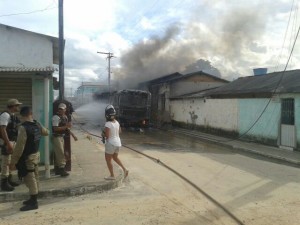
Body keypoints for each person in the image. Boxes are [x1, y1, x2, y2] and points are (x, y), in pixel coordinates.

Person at [9, 106, 49, 211]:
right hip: (35, 155)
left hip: (27, 158)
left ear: (22, 115)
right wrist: (38, 123)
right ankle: (33, 198)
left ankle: (34, 202)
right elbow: (46, 132)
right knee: (35, 177)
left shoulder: (23, 128)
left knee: (30, 179)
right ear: (31, 114)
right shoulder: (37, 124)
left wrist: (13, 162)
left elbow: (19, 147)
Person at [0, 99, 22, 191]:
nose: (18, 107)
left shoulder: (13, 116)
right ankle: (4, 183)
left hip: (12, 141)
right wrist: (8, 143)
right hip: (6, 141)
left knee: (10, 162)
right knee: (5, 161)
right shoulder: (5, 115)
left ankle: (9, 180)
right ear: (13, 106)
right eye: (17, 105)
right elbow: (2, 129)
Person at [103, 105, 128, 180]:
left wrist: (103, 134)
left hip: (111, 144)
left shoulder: (107, 124)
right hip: (118, 143)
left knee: (108, 160)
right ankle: (125, 169)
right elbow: (120, 131)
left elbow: (107, 136)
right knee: (115, 157)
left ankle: (112, 175)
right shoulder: (117, 122)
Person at [52, 103, 71, 177]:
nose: (61, 111)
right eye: (60, 109)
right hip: (57, 137)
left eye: (63, 109)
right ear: (58, 110)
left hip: (61, 137)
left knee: (59, 153)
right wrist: (66, 127)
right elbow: (55, 128)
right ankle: (62, 169)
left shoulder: (65, 117)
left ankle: (58, 169)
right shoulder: (56, 117)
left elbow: (67, 128)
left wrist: (68, 128)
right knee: (60, 153)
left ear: (65, 110)